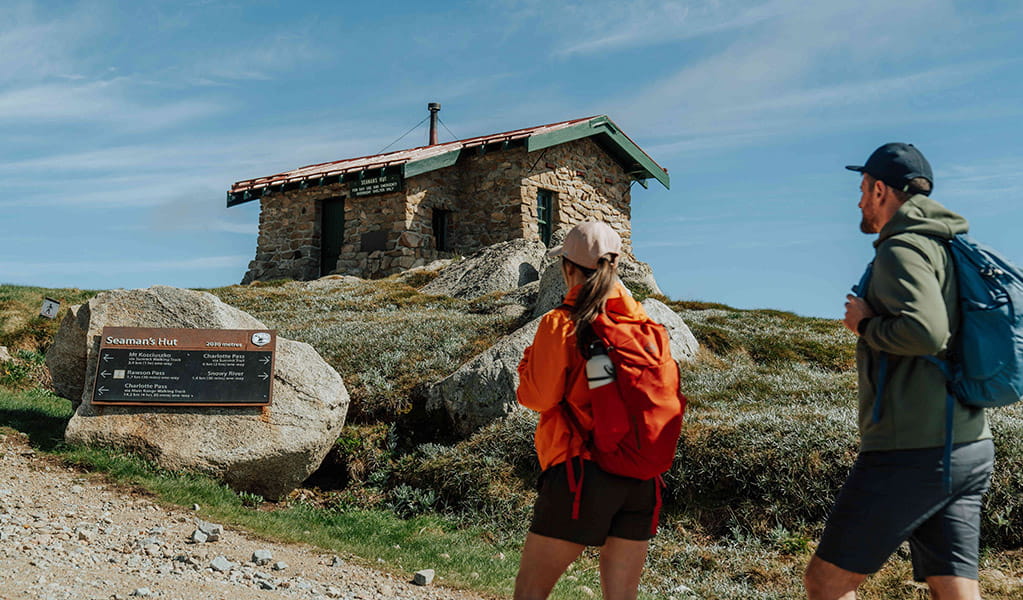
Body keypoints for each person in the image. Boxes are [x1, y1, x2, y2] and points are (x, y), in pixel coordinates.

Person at [804, 143, 994, 600]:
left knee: (825, 582)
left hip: (910, 450)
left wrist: (865, 324)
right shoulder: (946, 247)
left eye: (864, 189)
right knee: (954, 588)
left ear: (882, 189)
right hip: (968, 445)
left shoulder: (902, 249)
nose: (859, 201)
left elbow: (926, 333)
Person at [514, 221, 659, 600]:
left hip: (582, 473)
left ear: (567, 268)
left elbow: (538, 398)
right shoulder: (645, 327)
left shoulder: (560, 323)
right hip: (642, 479)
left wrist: (527, 369)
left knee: (530, 591)